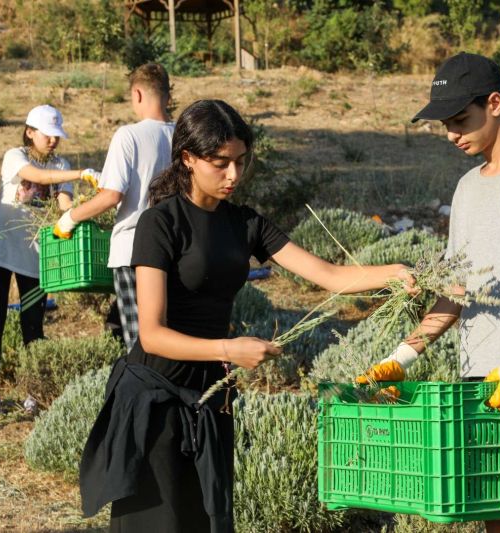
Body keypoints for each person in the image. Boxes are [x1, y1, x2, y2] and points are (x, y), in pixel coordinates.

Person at [79, 99, 415, 532]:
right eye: (220, 163)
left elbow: (330, 276)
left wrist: (399, 272)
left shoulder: (245, 223)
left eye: (240, 161)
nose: (234, 175)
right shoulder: (159, 224)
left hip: (211, 398)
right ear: (187, 158)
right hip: (156, 402)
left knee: (210, 520)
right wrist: (227, 348)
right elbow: (152, 334)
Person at [359, 52, 500, 533]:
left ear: (495, 103)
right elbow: (457, 289)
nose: (454, 134)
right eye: (446, 125)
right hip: (478, 375)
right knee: (493, 508)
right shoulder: (465, 189)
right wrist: (406, 353)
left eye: (461, 119)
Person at [0, 105, 96, 420]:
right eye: (48, 135)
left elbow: (64, 204)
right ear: (30, 131)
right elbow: (36, 176)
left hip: (36, 257)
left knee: (33, 323)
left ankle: (35, 393)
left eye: (57, 136)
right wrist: (80, 174)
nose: (54, 142)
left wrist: (81, 206)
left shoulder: (60, 164)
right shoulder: (14, 155)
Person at [54, 63, 175, 352]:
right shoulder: (184, 135)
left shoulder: (129, 136)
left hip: (133, 251)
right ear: (168, 96)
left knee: (140, 343)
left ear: (137, 94)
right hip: (176, 250)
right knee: (173, 337)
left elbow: (111, 196)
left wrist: (69, 218)